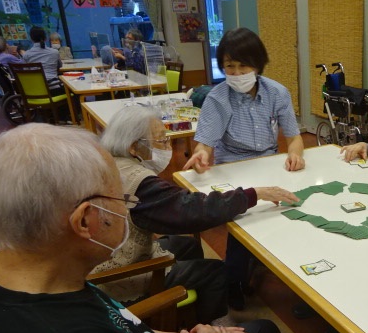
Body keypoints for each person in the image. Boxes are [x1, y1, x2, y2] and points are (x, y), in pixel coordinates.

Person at [0, 123, 338, 333]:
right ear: (85, 221)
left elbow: (115, 324)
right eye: (121, 200)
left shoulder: (30, 273)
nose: (126, 209)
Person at [97, 105, 300, 319]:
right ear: (133, 147)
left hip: (105, 256)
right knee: (215, 271)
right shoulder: (141, 183)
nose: (168, 146)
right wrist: (254, 194)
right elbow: (194, 211)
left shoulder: (110, 163)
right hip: (118, 277)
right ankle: (209, 330)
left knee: (188, 245)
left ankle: (187, 310)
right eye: (161, 141)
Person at [183, 27, 306, 306]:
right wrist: (201, 155)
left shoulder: (277, 93)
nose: (236, 74)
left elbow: (294, 136)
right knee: (244, 217)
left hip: (271, 161)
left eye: (243, 66)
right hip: (233, 165)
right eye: (230, 67)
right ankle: (234, 281)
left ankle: (293, 273)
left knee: (290, 207)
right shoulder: (217, 98)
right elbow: (205, 144)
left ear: (258, 65)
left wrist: (296, 154)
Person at [22, 26, 63, 93]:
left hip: (35, 91)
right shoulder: (54, 52)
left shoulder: (26, 54)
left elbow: (26, 71)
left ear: (31, 39)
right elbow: (59, 66)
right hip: (54, 89)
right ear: (45, 38)